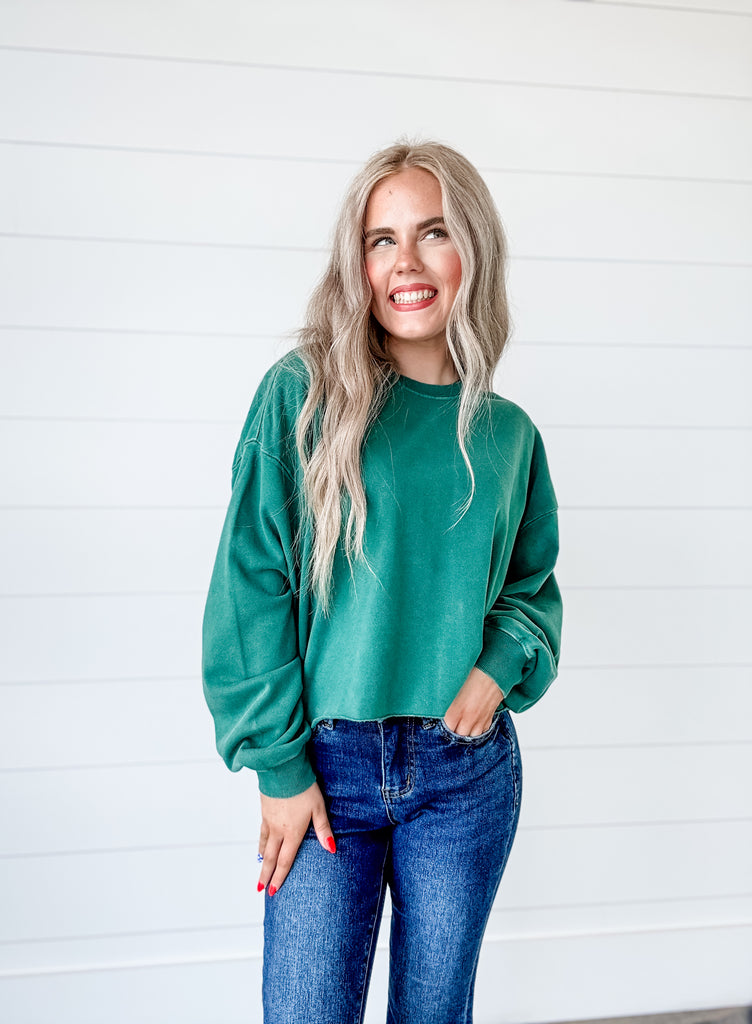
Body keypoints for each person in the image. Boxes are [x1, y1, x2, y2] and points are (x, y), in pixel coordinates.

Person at [202, 139, 562, 1024]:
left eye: (432, 232)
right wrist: (279, 766)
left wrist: (499, 666)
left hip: (463, 774)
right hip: (323, 773)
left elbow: (531, 589)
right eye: (380, 240)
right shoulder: (301, 396)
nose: (405, 262)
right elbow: (251, 587)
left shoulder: (509, 436)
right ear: (356, 264)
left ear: (472, 249)